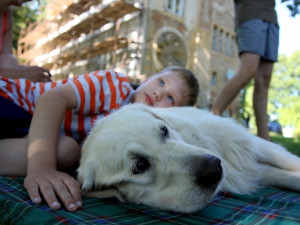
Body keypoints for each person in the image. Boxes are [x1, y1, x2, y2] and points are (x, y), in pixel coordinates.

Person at [0, 65, 199, 211]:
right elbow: (51, 98)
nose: (158, 93)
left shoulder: (135, 137)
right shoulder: (116, 86)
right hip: (13, 101)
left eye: (170, 98)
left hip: (25, 132)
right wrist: (41, 168)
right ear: (148, 78)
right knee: (64, 153)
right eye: (161, 81)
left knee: (66, 153)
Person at [212, 0, 279, 141]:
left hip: (271, 17)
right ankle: (210, 120)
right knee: (248, 71)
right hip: (250, 14)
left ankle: (264, 139)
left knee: (264, 79)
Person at [0, 0, 52, 82]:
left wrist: (35, 74)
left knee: (9, 60)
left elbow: (7, 62)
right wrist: (20, 74)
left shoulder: (6, 15)